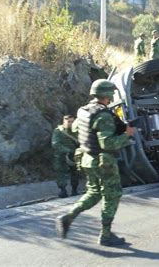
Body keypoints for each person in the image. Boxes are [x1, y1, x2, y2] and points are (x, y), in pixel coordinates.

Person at [56, 79, 136, 246]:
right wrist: (127, 134)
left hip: (86, 159)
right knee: (112, 195)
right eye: (111, 94)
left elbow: (74, 129)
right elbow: (107, 143)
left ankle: (68, 217)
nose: (112, 96)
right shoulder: (104, 115)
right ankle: (105, 235)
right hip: (103, 161)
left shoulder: (83, 111)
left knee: (94, 193)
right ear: (106, 95)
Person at [52, 115, 80, 198]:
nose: (71, 123)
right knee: (61, 172)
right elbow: (55, 143)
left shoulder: (76, 131)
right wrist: (67, 150)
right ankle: (63, 190)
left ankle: (74, 189)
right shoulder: (58, 131)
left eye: (72, 121)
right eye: (69, 122)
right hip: (61, 156)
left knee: (75, 172)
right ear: (64, 121)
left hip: (74, 155)